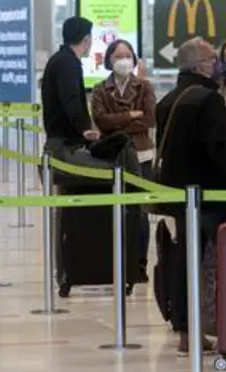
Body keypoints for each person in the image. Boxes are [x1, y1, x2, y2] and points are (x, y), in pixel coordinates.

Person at [155, 39, 226, 355]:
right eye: (211, 58)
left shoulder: (168, 100)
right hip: (213, 196)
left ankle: (186, 331)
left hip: (180, 197)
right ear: (201, 66)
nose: (217, 64)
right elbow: (219, 148)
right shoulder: (208, 99)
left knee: (184, 263)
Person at [90, 38, 157, 272]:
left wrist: (117, 125)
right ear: (109, 60)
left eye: (128, 56)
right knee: (114, 209)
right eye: (118, 56)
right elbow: (101, 120)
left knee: (140, 212)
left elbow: (149, 119)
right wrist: (130, 115)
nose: (124, 61)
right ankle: (114, 261)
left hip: (142, 154)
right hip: (113, 156)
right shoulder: (100, 89)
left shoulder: (144, 87)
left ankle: (139, 263)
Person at [42, 16, 98, 146]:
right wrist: (84, 128)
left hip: (59, 137)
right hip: (66, 141)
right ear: (87, 39)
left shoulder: (60, 59)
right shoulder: (67, 63)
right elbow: (70, 97)